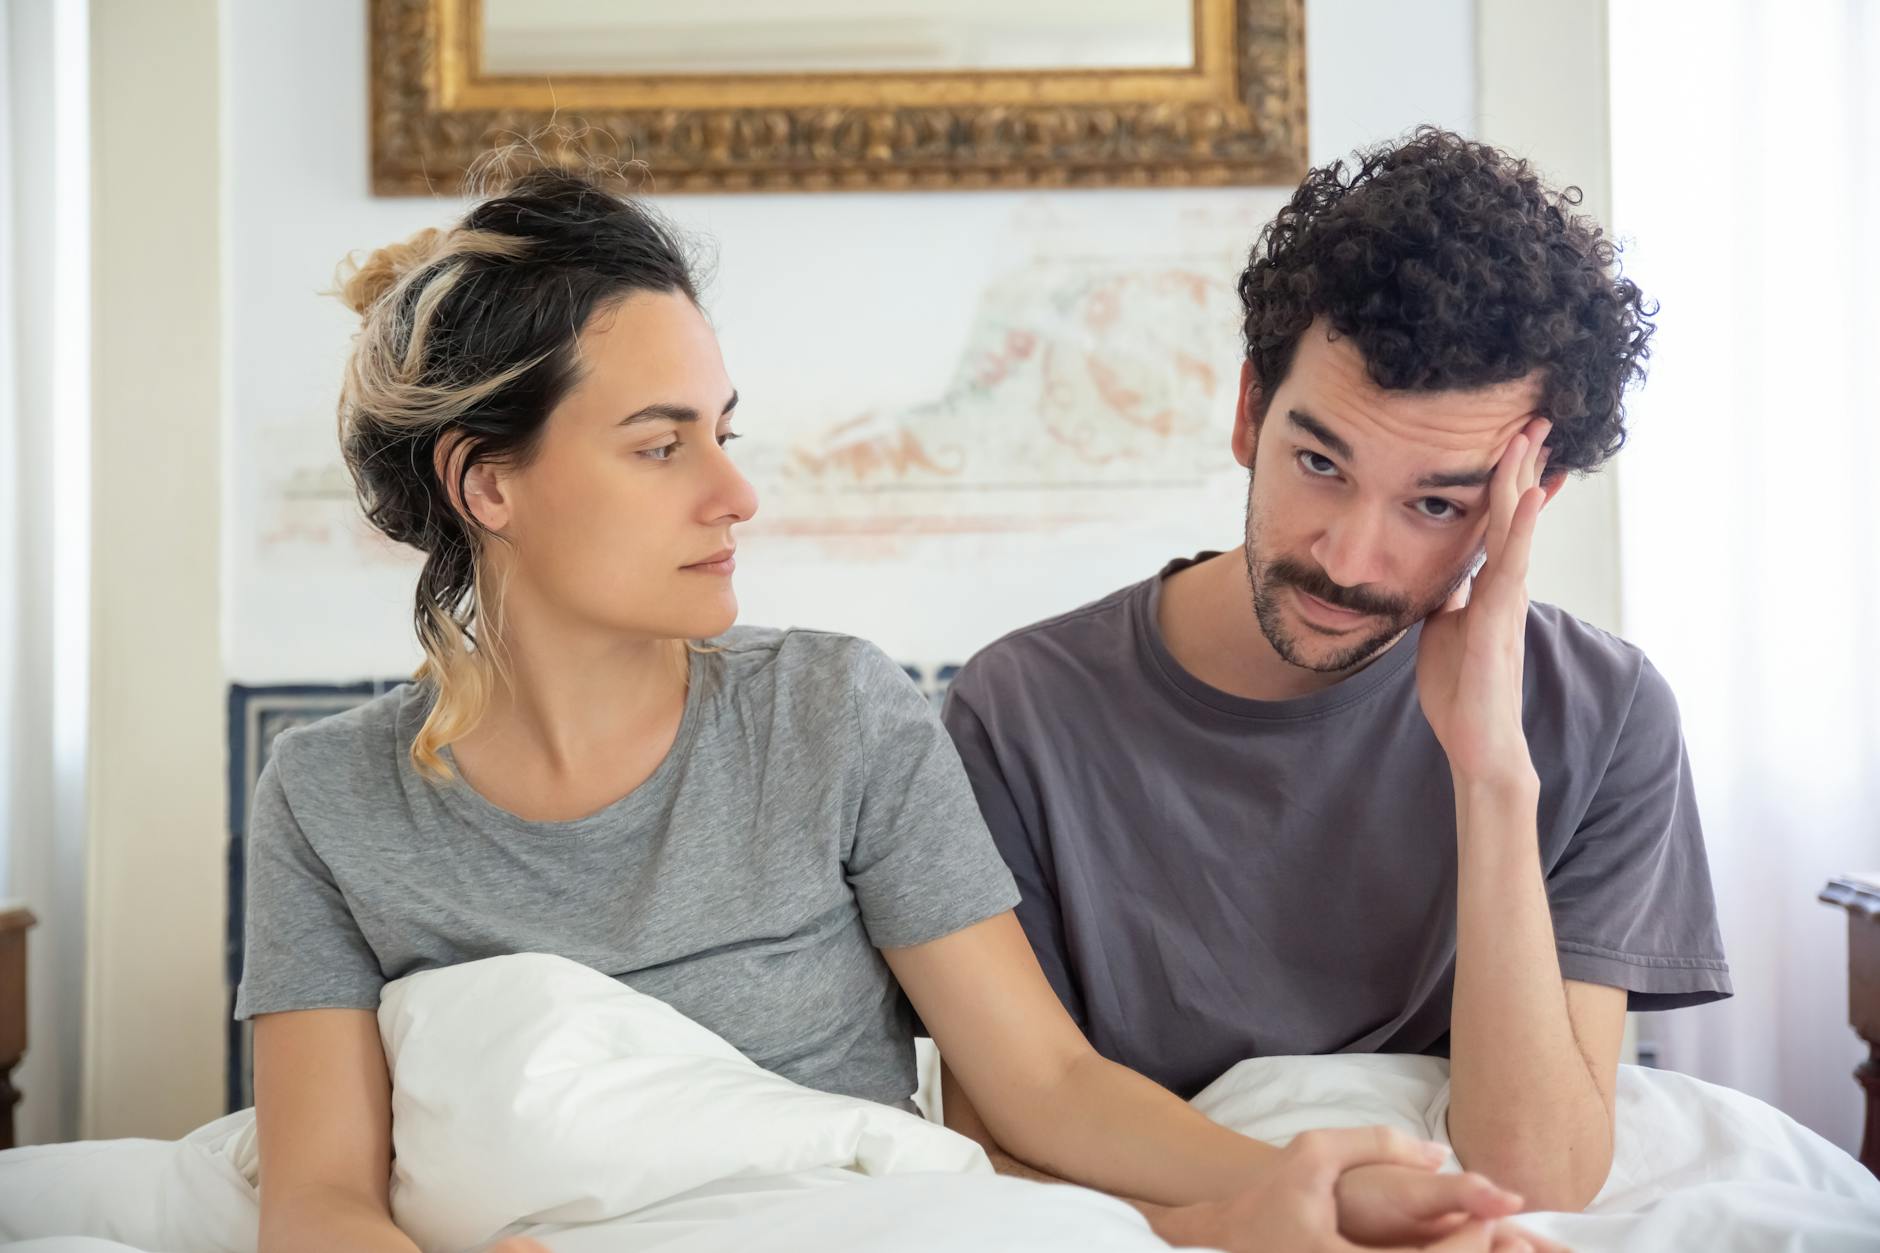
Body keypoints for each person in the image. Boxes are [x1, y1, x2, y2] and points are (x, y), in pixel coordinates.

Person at [237, 153, 1543, 1253]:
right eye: (659, 444)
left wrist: (1318, 1190)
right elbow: (318, 1201)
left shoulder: (833, 713)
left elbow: (1047, 1084)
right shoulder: (330, 798)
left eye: (723, 433)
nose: (734, 493)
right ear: (487, 484)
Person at [939, 128, 1732, 1215]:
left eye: (1435, 503)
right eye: (1319, 462)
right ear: (1247, 412)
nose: (1351, 559)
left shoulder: (1605, 715)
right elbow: (999, 1144)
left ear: (1526, 500)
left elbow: (1536, 1176)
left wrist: (1491, 771)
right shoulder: (1017, 712)